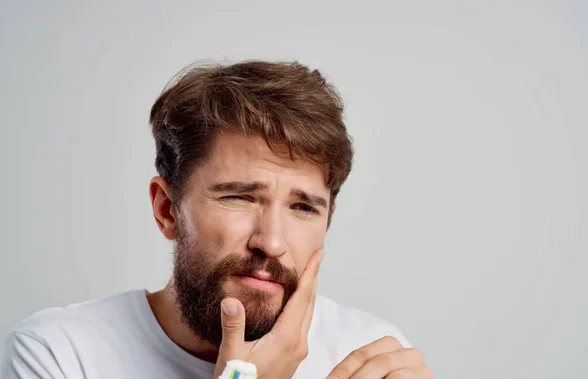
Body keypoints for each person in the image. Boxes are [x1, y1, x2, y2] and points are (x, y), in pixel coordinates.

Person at [1, 61, 434, 379]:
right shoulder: (58, 353)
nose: (272, 242)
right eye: (240, 197)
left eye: (303, 207)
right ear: (167, 209)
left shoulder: (373, 354)